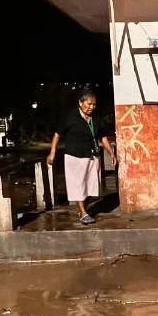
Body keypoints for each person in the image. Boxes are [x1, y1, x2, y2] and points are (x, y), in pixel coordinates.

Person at [47, 89, 117, 225]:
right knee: (78, 184)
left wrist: (112, 153)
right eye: (89, 104)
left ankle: (82, 209)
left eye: (94, 104)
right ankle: (83, 213)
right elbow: (57, 134)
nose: (91, 107)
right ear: (80, 103)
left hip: (92, 155)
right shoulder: (70, 117)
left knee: (91, 185)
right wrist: (53, 152)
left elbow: (103, 138)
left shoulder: (96, 118)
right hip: (75, 155)